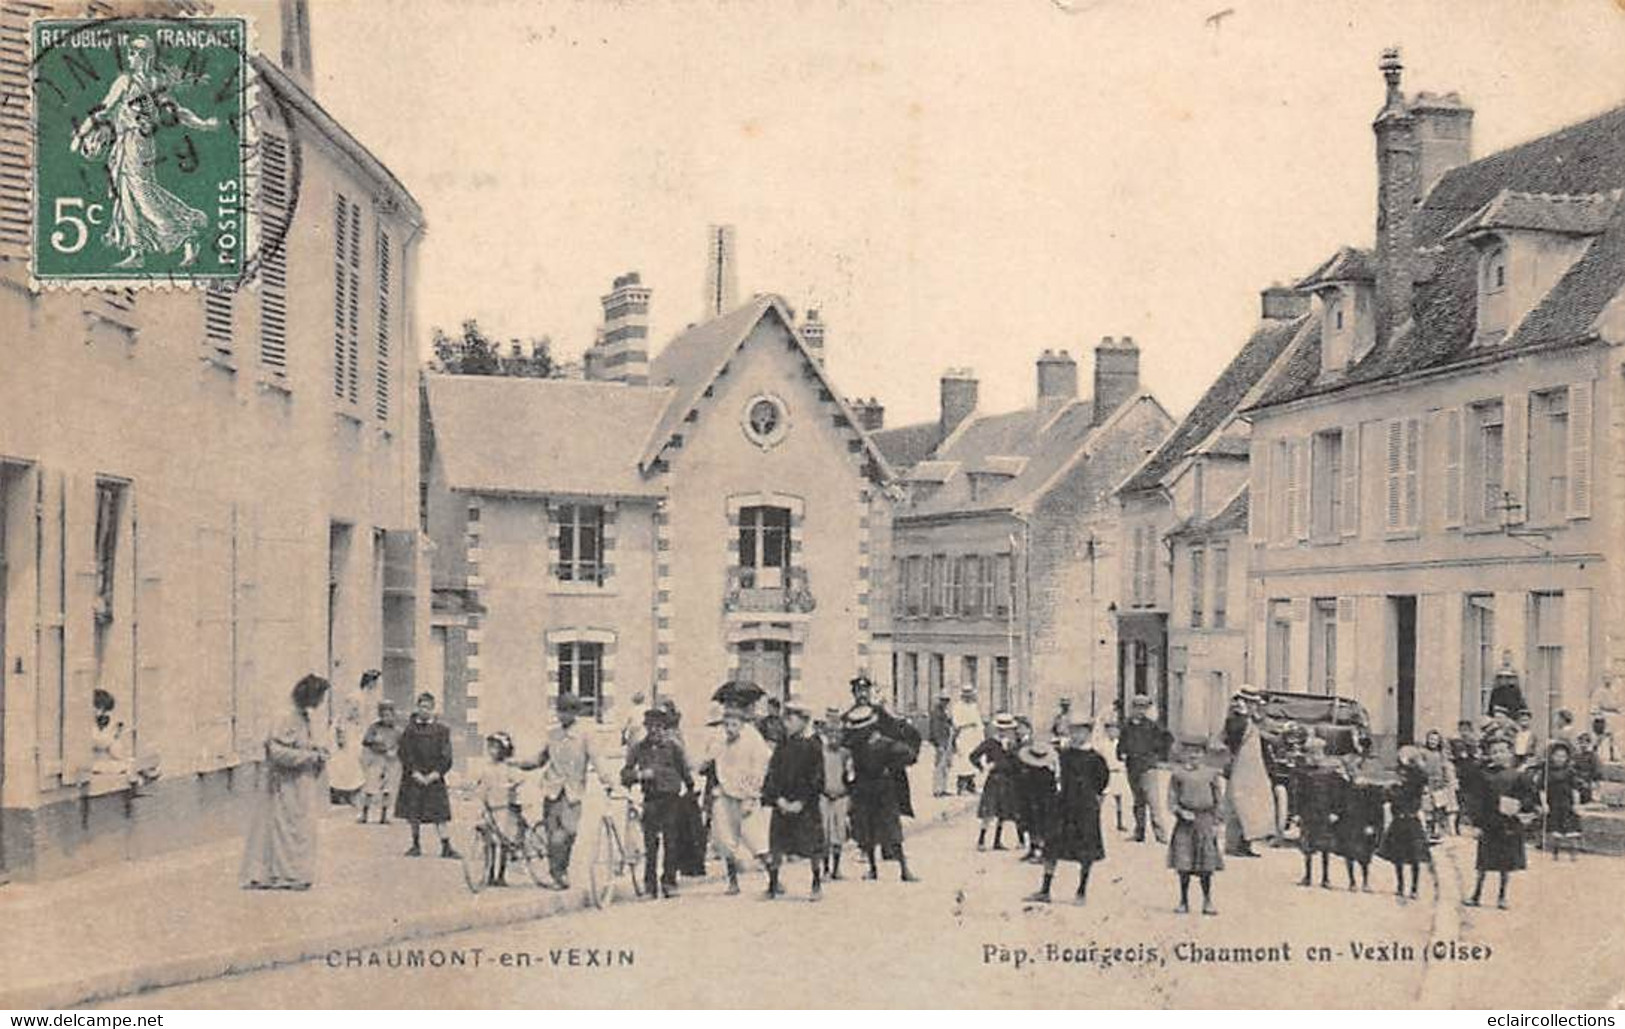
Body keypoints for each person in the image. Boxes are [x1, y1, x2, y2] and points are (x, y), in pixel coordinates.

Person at [70, 35, 219, 269]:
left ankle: (186, 233)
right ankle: (137, 251)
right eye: (131, 53)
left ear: (148, 57)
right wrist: (81, 134)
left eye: (139, 53)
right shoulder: (124, 81)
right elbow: (105, 109)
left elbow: (176, 111)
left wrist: (202, 124)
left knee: (142, 195)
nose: (133, 57)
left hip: (140, 143)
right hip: (123, 143)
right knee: (127, 196)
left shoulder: (154, 83)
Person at [241, 675, 331, 890]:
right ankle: (284, 874)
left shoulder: (302, 716)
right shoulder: (285, 716)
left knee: (299, 828)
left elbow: (299, 743)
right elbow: (277, 751)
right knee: (285, 828)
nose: (322, 701)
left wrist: (314, 750)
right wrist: (309, 757)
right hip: (285, 783)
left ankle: (294, 872)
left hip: (301, 782)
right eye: (320, 696)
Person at [529, 694, 613, 890]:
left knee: (569, 832)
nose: (562, 715)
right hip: (551, 790)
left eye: (567, 711)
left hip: (573, 793)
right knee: (553, 835)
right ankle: (558, 873)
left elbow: (597, 759)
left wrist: (607, 780)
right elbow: (540, 759)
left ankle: (561, 869)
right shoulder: (553, 735)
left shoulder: (585, 735)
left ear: (575, 713)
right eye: (560, 711)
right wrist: (519, 763)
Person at [1024, 718, 1107, 904]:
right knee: (1052, 845)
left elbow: (1102, 783)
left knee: (1085, 850)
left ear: (1088, 733)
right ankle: (1045, 890)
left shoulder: (1096, 758)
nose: (1076, 735)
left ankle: (1081, 891)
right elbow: (1045, 765)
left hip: (1085, 807)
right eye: (1073, 731)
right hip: (1063, 805)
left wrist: (1094, 801)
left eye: (1081, 731)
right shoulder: (1062, 754)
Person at [621, 707, 694, 899]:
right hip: (651, 800)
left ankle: (669, 882)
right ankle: (650, 886)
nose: (655, 731)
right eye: (651, 727)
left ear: (664, 728)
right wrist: (639, 775)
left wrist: (691, 791)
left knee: (671, 842)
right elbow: (625, 774)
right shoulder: (638, 748)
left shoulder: (673, 747)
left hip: (671, 799)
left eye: (659, 727)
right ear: (646, 728)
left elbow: (685, 771)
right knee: (650, 845)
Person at [844, 703, 920, 882]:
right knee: (882, 829)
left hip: (871, 791)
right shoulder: (880, 743)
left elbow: (908, 756)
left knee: (875, 829)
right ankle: (901, 870)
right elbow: (910, 755)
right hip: (879, 790)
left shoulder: (860, 745)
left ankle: (884, 869)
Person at [762, 700, 827, 901]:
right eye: (786, 719)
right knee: (777, 845)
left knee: (812, 846)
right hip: (782, 804)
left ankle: (816, 883)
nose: (786, 723)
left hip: (805, 806)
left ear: (803, 721)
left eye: (791, 719)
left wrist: (802, 801)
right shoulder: (782, 746)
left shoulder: (813, 746)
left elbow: (817, 778)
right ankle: (773, 884)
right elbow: (772, 775)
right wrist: (778, 799)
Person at [705, 703, 773, 895]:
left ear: (742, 724)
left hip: (745, 795)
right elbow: (708, 759)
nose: (729, 728)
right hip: (724, 794)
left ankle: (773, 879)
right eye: (727, 724)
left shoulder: (752, 740)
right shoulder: (720, 740)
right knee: (725, 840)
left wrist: (751, 795)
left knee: (755, 839)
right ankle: (733, 882)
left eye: (734, 724)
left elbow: (760, 768)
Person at [1468, 735, 1539, 909]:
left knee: (1505, 864)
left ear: (1510, 753)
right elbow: (1477, 800)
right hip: (1489, 823)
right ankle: (1476, 894)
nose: (1498, 755)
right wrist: (1476, 824)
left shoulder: (1517, 776)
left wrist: (1520, 805)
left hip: (1508, 824)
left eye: (1502, 751)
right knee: (1483, 862)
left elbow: (1529, 797)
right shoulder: (1483, 775)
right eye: (1494, 752)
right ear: (1489, 755)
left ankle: (1502, 896)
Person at [397, 692, 458, 859]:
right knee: (414, 812)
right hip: (414, 777)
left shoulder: (442, 730)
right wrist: (414, 772)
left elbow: (447, 755)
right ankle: (415, 845)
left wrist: (436, 773)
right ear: (417, 708)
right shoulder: (410, 730)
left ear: (433, 709)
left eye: (428, 707)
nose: (424, 710)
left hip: (434, 777)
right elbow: (404, 752)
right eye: (421, 706)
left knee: (440, 813)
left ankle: (446, 846)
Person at [1166, 739, 1224, 916]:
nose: (1193, 756)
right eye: (1189, 752)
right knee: (1184, 864)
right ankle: (1183, 901)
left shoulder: (1211, 774)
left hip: (1205, 820)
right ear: (1183, 754)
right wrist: (1180, 812)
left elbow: (1218, 800)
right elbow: (1172, 799)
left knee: (1206, 865)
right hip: (1185, 823)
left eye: (1198, 752)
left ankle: (1207, 901)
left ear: (1204, 755)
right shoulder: (1178, 774)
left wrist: (1217, 822)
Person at [1378, 746, 1437, 901]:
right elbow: (1388, 795)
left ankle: (1414, 888)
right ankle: (1400, 886)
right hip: (1399, 820)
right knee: (1398, 856)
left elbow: (1418, 782)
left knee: (1414, 857)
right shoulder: (1399, 775)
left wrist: (1413, 764)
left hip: (1411, 819)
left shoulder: (1416, 778)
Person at [469, 731, 526, 887]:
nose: (492, 751)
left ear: (504, 750)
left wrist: (511, 785)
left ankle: (500, 875)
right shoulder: (486, 767)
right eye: (490, 747)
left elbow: (519, 779)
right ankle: (489, 872)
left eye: (496, 748)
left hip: (504, 807)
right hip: (490, 807)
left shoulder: (508, 767)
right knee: (490, 841)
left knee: (503, 841)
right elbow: (481, 785)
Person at [1222, 690, 1274, 856]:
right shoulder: (1237, 721)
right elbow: (1232, 743)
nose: (1255, 707)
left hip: (1253, 770)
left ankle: (1245, 844)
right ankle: (1233, 845)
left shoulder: (1250, 721)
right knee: (1238, 806)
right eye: (1252, 703)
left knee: (1250, 807)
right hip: (1240, 769)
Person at [1117, 694, 1171, 844]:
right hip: (1132, 767)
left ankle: (1161, 835)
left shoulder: (1152, 726)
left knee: (1153, 802)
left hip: (1148, 767)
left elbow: (1167, 739)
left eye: (1143, 708)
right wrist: (1121, 753)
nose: (1140, 711)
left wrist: (1156, 755)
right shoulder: (1127, 726)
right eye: (1137, 707)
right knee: (1138, 801)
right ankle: (1139, 832)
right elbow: (1121, 744)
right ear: (1132, 708)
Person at [1291, 736, 1342, 889]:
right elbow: (1298, 793)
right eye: (1311, 752)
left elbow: (1337, 794)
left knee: (1325, 846)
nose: (1313, 755)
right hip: (1308, 812)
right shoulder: (1303, 772)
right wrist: (1297, 813)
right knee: (1308, 846)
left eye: (1316, 752)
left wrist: (1335, 811)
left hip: (1325, 812)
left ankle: (1326, 878)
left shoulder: (1330, 772)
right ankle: (1307, 876)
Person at [970, 713, 1021, 851]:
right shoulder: (990, 743)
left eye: (1007, 730)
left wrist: (1009, 751)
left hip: (1008, 779)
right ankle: (981, 840)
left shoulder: (1012, 744)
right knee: (989, 812)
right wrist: (983, 766)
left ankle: (997, 841)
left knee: (1003, 812)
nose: (1004, 732)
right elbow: (973, 755)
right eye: (1002, 729)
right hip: (995, 779)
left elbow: (1017, 762)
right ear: (997, 729)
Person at [1335, 750, 1383, 891]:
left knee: (1365, 854)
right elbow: (1339, 803)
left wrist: (1371, 824)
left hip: (1363, 822)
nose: (1352, 772)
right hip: (1348, 823)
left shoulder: (1368, 788)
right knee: (1349, 853)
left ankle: (1366, 882)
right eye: (1350, 770)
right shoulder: (1344, 786)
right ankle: (1352, 881)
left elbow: (1374, 807)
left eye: (1354, 769)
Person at [819, 709, 853, 880]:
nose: (834, 737)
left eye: (837, 733)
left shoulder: (845, 754)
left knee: (838, 833)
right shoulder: (820, 753)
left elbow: (850, 776)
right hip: (824, 796)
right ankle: (825, 868)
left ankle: (836, 868)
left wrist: (848, 793)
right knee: (824, 832)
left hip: (840, 796)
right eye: (830, 732)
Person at [1015, 734, 1059, 863]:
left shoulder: (1047, 771)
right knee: (1030, 823)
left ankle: (1042, 852)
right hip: (1029, 798)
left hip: (1043, 801)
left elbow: (1052, 788)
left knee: (1041, 824)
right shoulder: (1028, 768)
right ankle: (1033, 848)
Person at [1535, 740, 1582, 861]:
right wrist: (1544, 803)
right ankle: (1555, 852)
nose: (1560, 759)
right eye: (1557, 756)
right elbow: (1542, 789)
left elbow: (1575, 789)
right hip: (1553, 803)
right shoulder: (1546, 772)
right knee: (1555, 829)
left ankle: (1573, 853)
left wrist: (1576, 804)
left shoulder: (1570, 771)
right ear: (1551, 756)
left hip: (1567, 803)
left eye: (1563, 756)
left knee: (1571, 829)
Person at [358, 699, 402, 825]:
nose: (386, 718)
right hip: (376, 759)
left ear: (393, 715)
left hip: (391, 761)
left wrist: (395, 751)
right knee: (371, 786)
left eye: (389, 715)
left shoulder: (397, 730)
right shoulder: (374, 727)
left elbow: (403, 744)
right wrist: (378, 744)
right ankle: (364, 813)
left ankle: (384, 815)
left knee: (388, 788)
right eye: (383, 715)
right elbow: (366, 741)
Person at [1420, 729, 1459, 841]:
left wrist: (1447, 782)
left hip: (1439, 784)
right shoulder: (1423, 753)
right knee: (1427, 809)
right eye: (1431, 739)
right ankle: (1427, 831)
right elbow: (1421, 769)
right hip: (1428, 783)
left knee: (1439, 808)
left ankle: (1436, 831)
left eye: (1435, 740)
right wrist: (1424, 784)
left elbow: (1445, 769)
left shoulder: (1441, 755)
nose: (1433, 742)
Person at [950, 684, 985, 795]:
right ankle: (962, 786)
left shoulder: (973, 706)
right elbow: (957, 723)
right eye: (967, 695)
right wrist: (969, 723)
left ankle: (971, 785)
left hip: (974, 737)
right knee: (963, 761)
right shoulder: (957, 707)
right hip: (963, 736)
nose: (969, 697)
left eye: (971, 695)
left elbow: (979, 722)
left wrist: (981, 735)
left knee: (974, 760)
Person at [1449, 719, 1482, 831]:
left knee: (1471, 799)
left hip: (1472, 774)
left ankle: (1470, 822)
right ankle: (1457, 824)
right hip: (1459, 773)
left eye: (1466, 729)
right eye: (1462, 729)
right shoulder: (1455, 742)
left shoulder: (1474, 742)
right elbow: (1450, 756)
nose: (1464, 732)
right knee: (1459, 800)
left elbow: (1477, 757)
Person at [1101, 720, 1127, 833]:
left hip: (1118, 774)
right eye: (1110, 730)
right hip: (1107, 773)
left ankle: (1120, 823)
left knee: (1119, 799)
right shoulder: (1103, 745)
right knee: (1101, 797)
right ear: (1106, 731)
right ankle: (1097, 820)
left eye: (1115, 730)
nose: (1113, 732)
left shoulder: (1121, 744)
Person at [928, 693, 954, 798]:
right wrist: (939, 743)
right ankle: (937, 790)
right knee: (939, 766)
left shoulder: (943, 712)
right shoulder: (936, 712)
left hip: (945, 740)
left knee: (945, 766)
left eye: (947, 700)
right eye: (944, 700)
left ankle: (943, 788)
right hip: (941, 742)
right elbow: (935, 729)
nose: (946, 703)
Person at [1488, 655, 1527, 722]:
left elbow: (1521, 706)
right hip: (1499, 720)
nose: (1505, 680)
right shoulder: (1496, 691)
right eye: (1502, 677)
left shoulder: (1516, 691)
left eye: (1509, 677)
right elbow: (1492, 709)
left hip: (1513, 720)